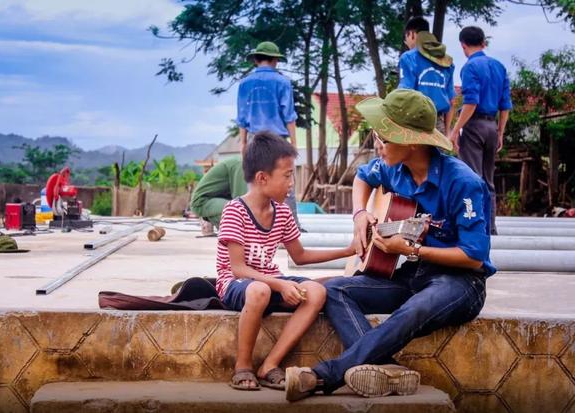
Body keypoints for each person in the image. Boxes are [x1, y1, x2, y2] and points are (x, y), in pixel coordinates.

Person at [285, 89, 494, 401]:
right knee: (336, 289)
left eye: (383, 137)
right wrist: (360, 214)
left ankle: (321, 376)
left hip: (461, 283)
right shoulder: (393, 167)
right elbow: (361, 177)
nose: (377, 145)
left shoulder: (463, 182)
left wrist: (409, 250)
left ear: (409, 141)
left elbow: (474, 257)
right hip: (416, 274)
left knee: (416, 307)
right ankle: (387, 370)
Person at [217, 131, 355, 391]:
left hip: (270, 282)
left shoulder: (281, 211)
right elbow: (237, 269)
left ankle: (270, 364)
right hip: (237, 284)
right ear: (262, 178)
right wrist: (280, 286)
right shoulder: (235, 210)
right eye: (287, 175)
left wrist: (346, 251)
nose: (292, 183)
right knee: (259, 290)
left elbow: (300, 256)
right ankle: (243, 366)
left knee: (315, 291)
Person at [450, 26, 512, 235]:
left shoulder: (470, 67)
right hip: (492, 126)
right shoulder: (499, 67)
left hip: (474, 126)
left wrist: (455, 129)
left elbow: (471, 103)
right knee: (488, 180)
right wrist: (500, 132)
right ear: (483, 42)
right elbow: (505, 105)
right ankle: (490, 227)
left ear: (463, 45)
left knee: (472, 178)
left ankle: (475, 227)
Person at [236, 41, 300, 227]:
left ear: (256, 59)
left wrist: (243, 143)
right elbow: (289, 115)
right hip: (278, 140)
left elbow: (242, 117)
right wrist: (293, 143)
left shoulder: (245, 83)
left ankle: (255, 225)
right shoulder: (283, 82)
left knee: (257, 181)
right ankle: (289, 226)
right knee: (285, 180)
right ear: (275, 60)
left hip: (256, 140)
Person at [399, 16, 456, 135]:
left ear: (412, 34)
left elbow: (404, 93)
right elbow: (451, 101)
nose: (406, 42)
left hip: (415, 123)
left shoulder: (408, 57)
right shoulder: (447, 62)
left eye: (406, 38)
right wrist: (447, 131)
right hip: (438, 124)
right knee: (436, 154)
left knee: (416, 154)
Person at [190, 157, 247, 235]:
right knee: (238, 213)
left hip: (217, 198)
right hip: (201, 202)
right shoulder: (240, 166)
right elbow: (243, 204)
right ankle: (207, 218)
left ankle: (211, 218)